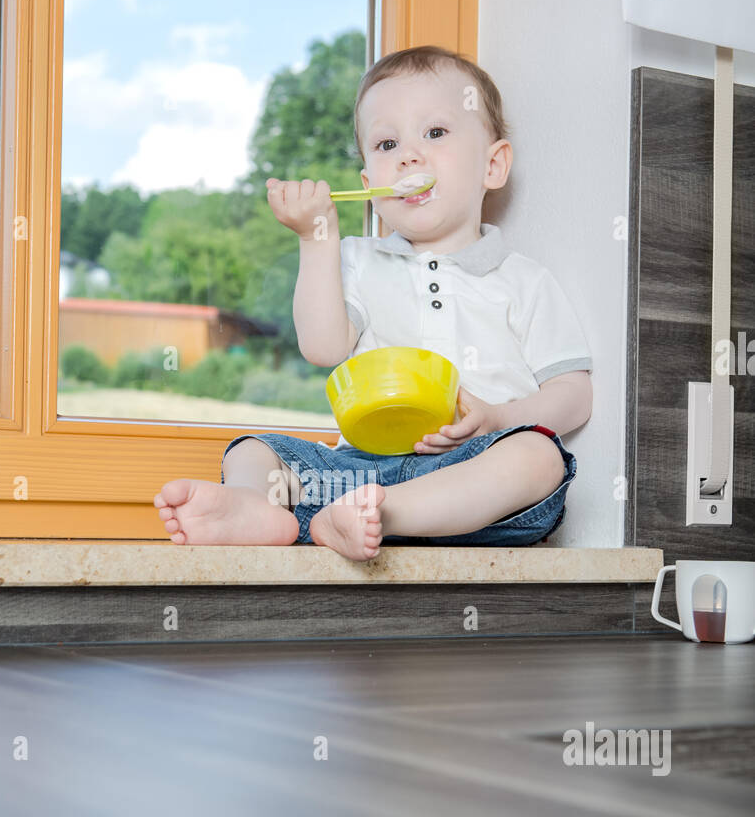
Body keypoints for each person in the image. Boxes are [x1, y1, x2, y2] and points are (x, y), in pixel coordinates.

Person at [153, 45, 593, 562]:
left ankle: (384, 514)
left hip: (473, 479)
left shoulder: (522, 280)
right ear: (369, 186)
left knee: (538, 457)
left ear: (493, 165)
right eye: (387, 143)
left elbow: (574, 396)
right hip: (359, 468)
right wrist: (318, 240)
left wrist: (498, 418)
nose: (408, 155)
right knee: (256, 450)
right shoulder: (359, 261)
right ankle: (256, 509)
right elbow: (322, 347)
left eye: (435, 133)